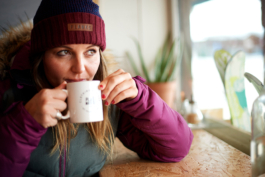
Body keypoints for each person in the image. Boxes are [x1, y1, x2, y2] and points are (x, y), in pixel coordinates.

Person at [0, 0, 193, 176]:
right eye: (63, 52)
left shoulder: (109, 102)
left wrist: (141, 98)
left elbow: (176, 149)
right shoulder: (8, 94)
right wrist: (24, 123)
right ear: (41, 57)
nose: (80, 68)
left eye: (91, 51)